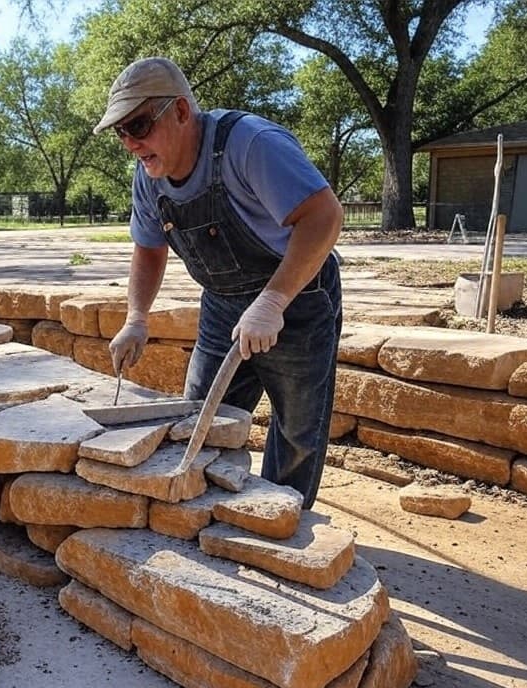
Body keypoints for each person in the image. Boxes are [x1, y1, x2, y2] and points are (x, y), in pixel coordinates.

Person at [94, 56, 343, 509]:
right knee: (202, 420)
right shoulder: (150, 174)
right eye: (121, 131)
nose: (131, 142)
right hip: (223, 304)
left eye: (140, 125)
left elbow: (324, 217)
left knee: (297, 433)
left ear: (182, 111)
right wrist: (136, 316)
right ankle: (207, 515)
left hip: (297, 298)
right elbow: (149, 248)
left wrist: (272, 301)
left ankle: (279, 528)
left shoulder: (251, 145)